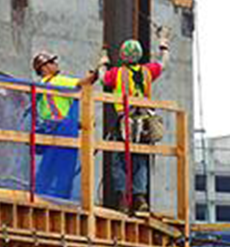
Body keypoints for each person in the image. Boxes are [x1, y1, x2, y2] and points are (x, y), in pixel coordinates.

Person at [101, 31, 170, 213]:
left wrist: (103, 61)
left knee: (119, 160)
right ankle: (139, 197)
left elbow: (102, 78)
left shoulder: (116, 73)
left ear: (122, 56)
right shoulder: (148, 71)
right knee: (140, 159)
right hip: (145, 121)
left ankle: (124, 198)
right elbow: (163, 63)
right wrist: (163, 44)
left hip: (125, 122)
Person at [30, 51, 101, 198]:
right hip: (62, 132)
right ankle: (60, 198)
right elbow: (84, 83)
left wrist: (80, 124)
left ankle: (41, 196)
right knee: (65, 169)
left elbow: (53, 112)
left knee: (48, 167)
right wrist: (100, 68)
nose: (55, 64)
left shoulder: (42, 86)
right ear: (43, 68)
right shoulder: (57, 81)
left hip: (52, 130)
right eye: (51, 62)